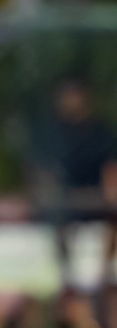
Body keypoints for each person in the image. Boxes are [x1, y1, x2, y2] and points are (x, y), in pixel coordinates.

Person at [28, 77, 117, 278]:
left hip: (97, 194)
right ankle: (67, 272)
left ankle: (105, 271)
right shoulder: (49, 133)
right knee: (54, 209)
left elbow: (111, 167)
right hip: (63, 197)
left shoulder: (101, 131)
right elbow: (39, 170)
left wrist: (110, 189)